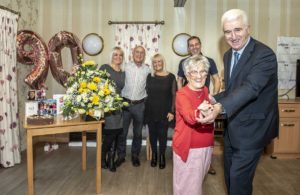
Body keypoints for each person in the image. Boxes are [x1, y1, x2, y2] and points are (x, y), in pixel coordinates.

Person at [200, 9, 279, 195]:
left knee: (238, 181)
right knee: (229, 176)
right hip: (232, 128)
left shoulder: (264, 55)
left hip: (253, 129)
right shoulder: (228, 56)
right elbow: (234, 89)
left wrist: (219, 107)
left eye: (238, 30)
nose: (233, 36)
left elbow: (251, 88)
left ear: (248, 29)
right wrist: (213, 98)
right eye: (227, 32)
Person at [177, 35, 221, 175]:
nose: (194, 47)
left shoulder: (209, 61)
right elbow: (179, 80)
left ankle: (207, 163)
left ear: (200, 45)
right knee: (190, 129)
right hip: (189, 99)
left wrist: (213, 98)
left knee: (207, 131)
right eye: (191, 45)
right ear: (188, 48)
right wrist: (182, 96)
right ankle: (190, 163)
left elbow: (216, 79)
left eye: (196, 44)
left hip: (204, 97)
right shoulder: (183, 62)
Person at [172, 55, 214, 195]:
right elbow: (189, 115)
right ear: (186, 75)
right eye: (194, 72)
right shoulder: (182, 94)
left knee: (196, 187)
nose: (198, 76)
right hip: (189, 148)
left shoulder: (205, 91)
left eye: (202, 71)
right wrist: (199, 111)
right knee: (188, 190)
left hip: (206, 146)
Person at [115, 45, 151, 167]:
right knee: (122, 132)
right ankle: (121, 156)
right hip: (125, 104)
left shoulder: (147, 70)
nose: (139, 55)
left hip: (139, 106)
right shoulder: (125, 66)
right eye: (137, 52)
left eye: (142, 53)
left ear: (144, 55)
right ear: (132, 53)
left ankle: (135, 155)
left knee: (138, 133)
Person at [144, 53, 176, 169]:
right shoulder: (149, 76)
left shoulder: (171, 77)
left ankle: (162, 156)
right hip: (151, 110)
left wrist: (172, 111)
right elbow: (146, 93)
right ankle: (154, 156)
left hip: (164, 111)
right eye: (155, 62)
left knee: (162, 135)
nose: (157, 64)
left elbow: (174, 95)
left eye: (159, 61)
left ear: (163, 62)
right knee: (152, 135)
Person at [99, 46, 125, 172]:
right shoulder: (105, 68)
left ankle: (109, 159)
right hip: (107, 106)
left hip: (118, 106)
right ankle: (104, 158)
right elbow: (97, 86)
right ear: (111, 56)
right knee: (110, 133)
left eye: (120, 55)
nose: (118, 57)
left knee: (116, 132)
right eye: (115, 54)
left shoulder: (122, 72)